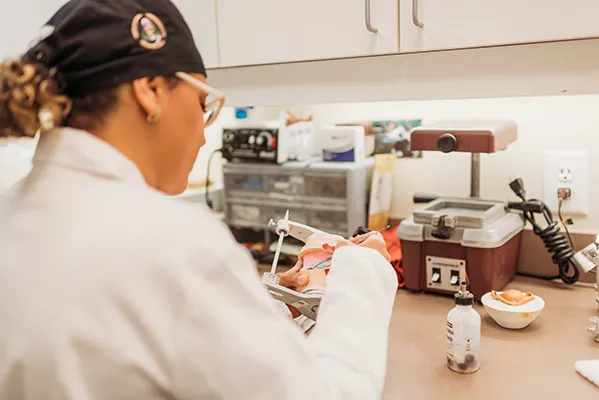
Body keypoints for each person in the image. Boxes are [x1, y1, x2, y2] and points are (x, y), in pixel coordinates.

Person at [0, 0, 399, 399]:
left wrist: (276, 305)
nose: (204, 134)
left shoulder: (13, 210)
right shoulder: (172, 244)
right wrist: (363, 270)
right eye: (202, 104)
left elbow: (145, 337)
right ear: (151, 91)